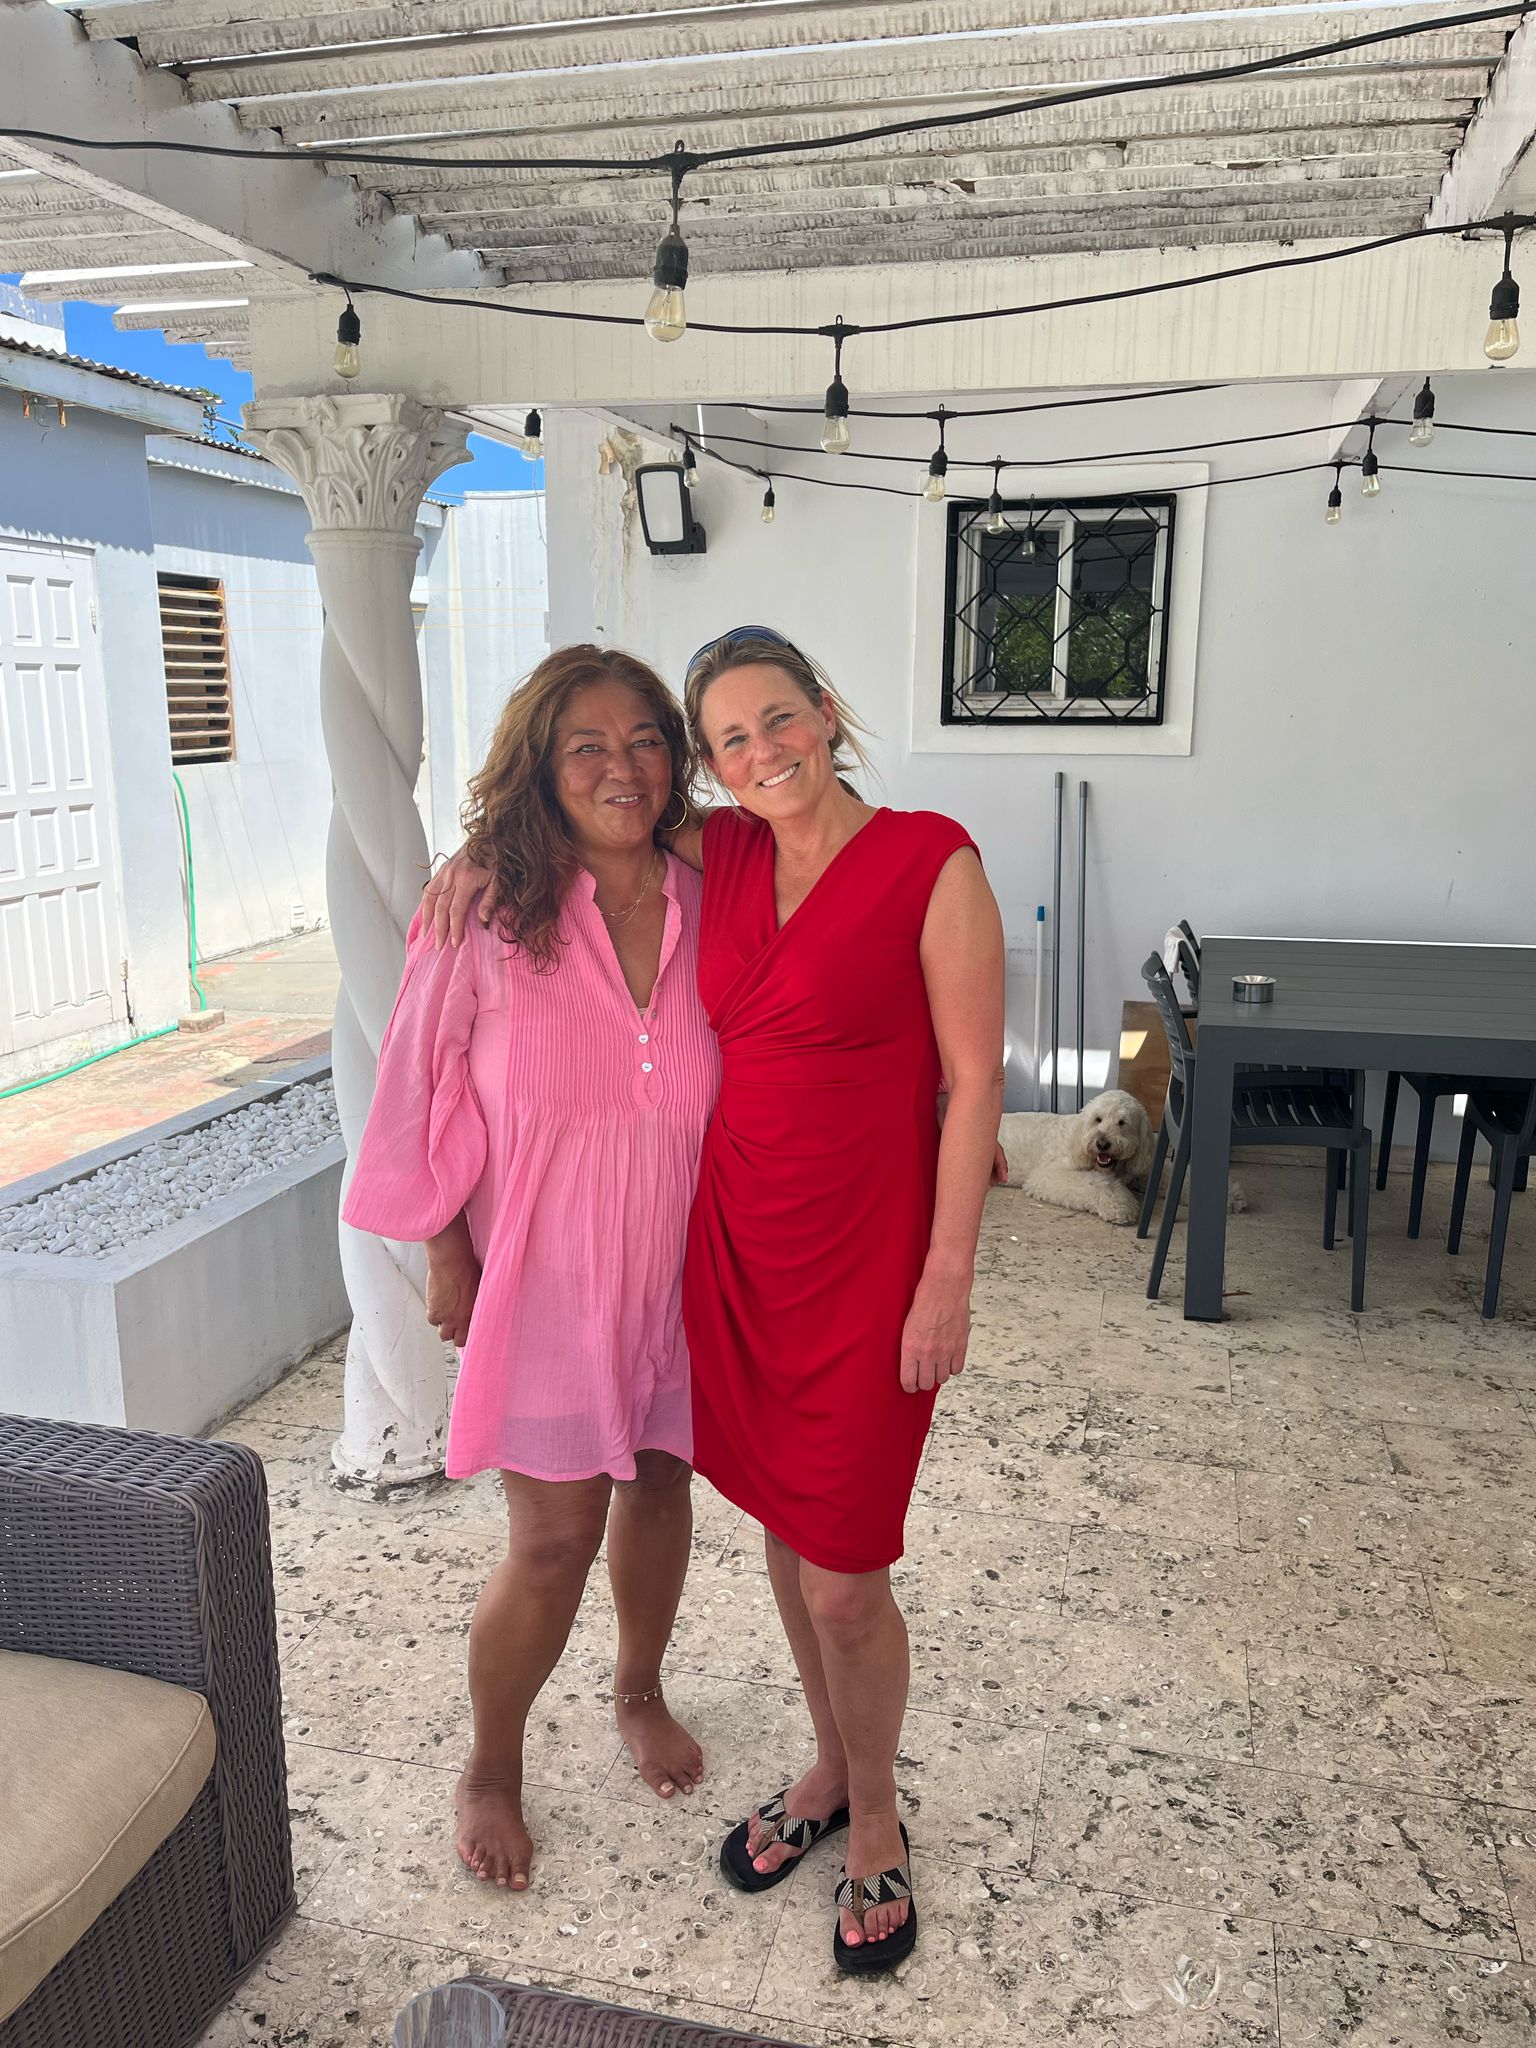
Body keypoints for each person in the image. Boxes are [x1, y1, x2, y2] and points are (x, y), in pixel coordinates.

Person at [426, 628, 1004, 1973]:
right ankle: (826, 1768)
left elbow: (976, 1081)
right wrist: (475, 859)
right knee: (794, 1538)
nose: (762, 752)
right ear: (717, 765)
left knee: (845, 1574)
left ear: (827, 711)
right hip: (737, 1253)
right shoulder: (722, 851)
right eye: (730, 738)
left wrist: (948, 1276)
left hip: (866, 1262)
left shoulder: (931, 860)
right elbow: (592, 806)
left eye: (779, 718)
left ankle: (875, 1816)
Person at [343, 644, 720, 1894]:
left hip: (684, 1261)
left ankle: (637, 1687)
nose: (623, 766)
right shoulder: (489, 909)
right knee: (553, 1539)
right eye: (587, 745)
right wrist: (445, 1242)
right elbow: (419, 1080)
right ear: (540, 768)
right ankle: (492, 1764)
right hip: (549, 1273)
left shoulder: (714, 894)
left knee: (660, 1484)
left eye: (646, 739)